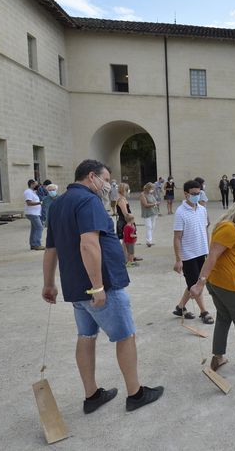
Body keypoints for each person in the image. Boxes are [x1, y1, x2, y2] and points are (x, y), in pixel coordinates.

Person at [41, 159, 163, 414]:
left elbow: (51, 248)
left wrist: (49, 283)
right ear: (90, 176)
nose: (107, 185)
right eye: (105, 179)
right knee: (125, 335)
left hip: (75, 286)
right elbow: (89, 244)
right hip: (101, 286)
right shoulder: (88, 201)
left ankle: (92, 395)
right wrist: (98, 286)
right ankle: (135, 393)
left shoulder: (59, 203)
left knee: (86, 337)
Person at [189, 198, 235, 372]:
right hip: (228, 283)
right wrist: (199, 283)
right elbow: (212, 255)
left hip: (219, 282)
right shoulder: (229, 228)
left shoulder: (230, 227)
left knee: (223, 317)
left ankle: (218, 357)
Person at [172, 180, 215, 323]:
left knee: (193, 282)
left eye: (199, 193)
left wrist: (208, 249)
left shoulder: (202, 210)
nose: (197, 196)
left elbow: (204, 230)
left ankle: (180, 307)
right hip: (188, 255)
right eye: (194, 194)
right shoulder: (180, 212)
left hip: (201, 252)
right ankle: (204, 312)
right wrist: (178, 259)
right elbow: (177, 237)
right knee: (196, 285)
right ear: (186, 194)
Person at [115, 183, 141, 262]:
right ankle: (126, 258)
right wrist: (130, 223)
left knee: (129, 240)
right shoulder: (121, 200)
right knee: (126, 241)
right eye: (127, 189)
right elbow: (125, 213)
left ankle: (130, 256)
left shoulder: (123, 198)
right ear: (124, 190)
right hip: (125, 221)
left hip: (127, 221)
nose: (129, 191)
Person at [24, 179, 44, 251]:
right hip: (32, 213)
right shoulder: (28, 192)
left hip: (35, 213)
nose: (37, 185)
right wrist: (40, 203)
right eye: (36, 184)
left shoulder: (33, 192)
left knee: (34, 229)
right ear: (32, 184)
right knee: (40, 228)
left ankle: (33, 244)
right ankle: (37, 245)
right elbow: (29, 203)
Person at [139, 182, 159, 247]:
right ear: (148, 188)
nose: (152, 190)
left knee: (152, 227)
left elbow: (154, 201)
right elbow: (145, 205)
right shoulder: (143, 195)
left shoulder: (151, 194)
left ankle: (150, 240)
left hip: (153, 212)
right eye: (152, 189)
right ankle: (148, 241)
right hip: (147, 213)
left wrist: (156, 203)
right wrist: (155, 204)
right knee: (149, 227)